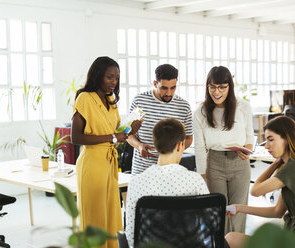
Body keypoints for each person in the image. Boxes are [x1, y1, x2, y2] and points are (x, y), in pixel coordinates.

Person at [71, 56, 141, 248]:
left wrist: (130, 130)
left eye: (117, 78)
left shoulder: (111, 100)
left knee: (111, 213)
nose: (114, 82)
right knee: (94, 216)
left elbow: (117, 134)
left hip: (110, 163)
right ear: (98, 76)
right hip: (92, 164)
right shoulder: (85, 98)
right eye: (110, 77)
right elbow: (75, 137)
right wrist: (112, 137)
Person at [225, 116, 295, 248]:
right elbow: (277, 212)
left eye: (271, 140)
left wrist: (274, 164)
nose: (266, 146)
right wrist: (239, 208)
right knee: (232, 237)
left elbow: (255, 191)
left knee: (231, 239)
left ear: (287, 139)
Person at [125, 118, 209, 247]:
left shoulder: (136, 182)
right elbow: (209, 227)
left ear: (155, 144)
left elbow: (131, 237)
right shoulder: (196, 181)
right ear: (180, 145)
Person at [193, 66, 254, 234]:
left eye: (222, 87)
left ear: (229, 86)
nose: (216, 92)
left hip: (239, 162)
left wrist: (247, 150)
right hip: (214, 163)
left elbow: (250, 137)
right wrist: (203, 176)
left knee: (238, 211)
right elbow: (199, 147)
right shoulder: (201, 112)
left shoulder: (243, 107)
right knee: (218, 211)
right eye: (212, 87)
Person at [127, 64, 193, 175]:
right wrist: (139, 146)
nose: (168, 93)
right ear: (155, 83)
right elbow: (127, 133)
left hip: (171, 171)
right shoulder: (140, 101)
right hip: (142, 171)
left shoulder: (183, 106)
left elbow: (189, 138)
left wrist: (172, 153)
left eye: (173, 88)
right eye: (164, 88)